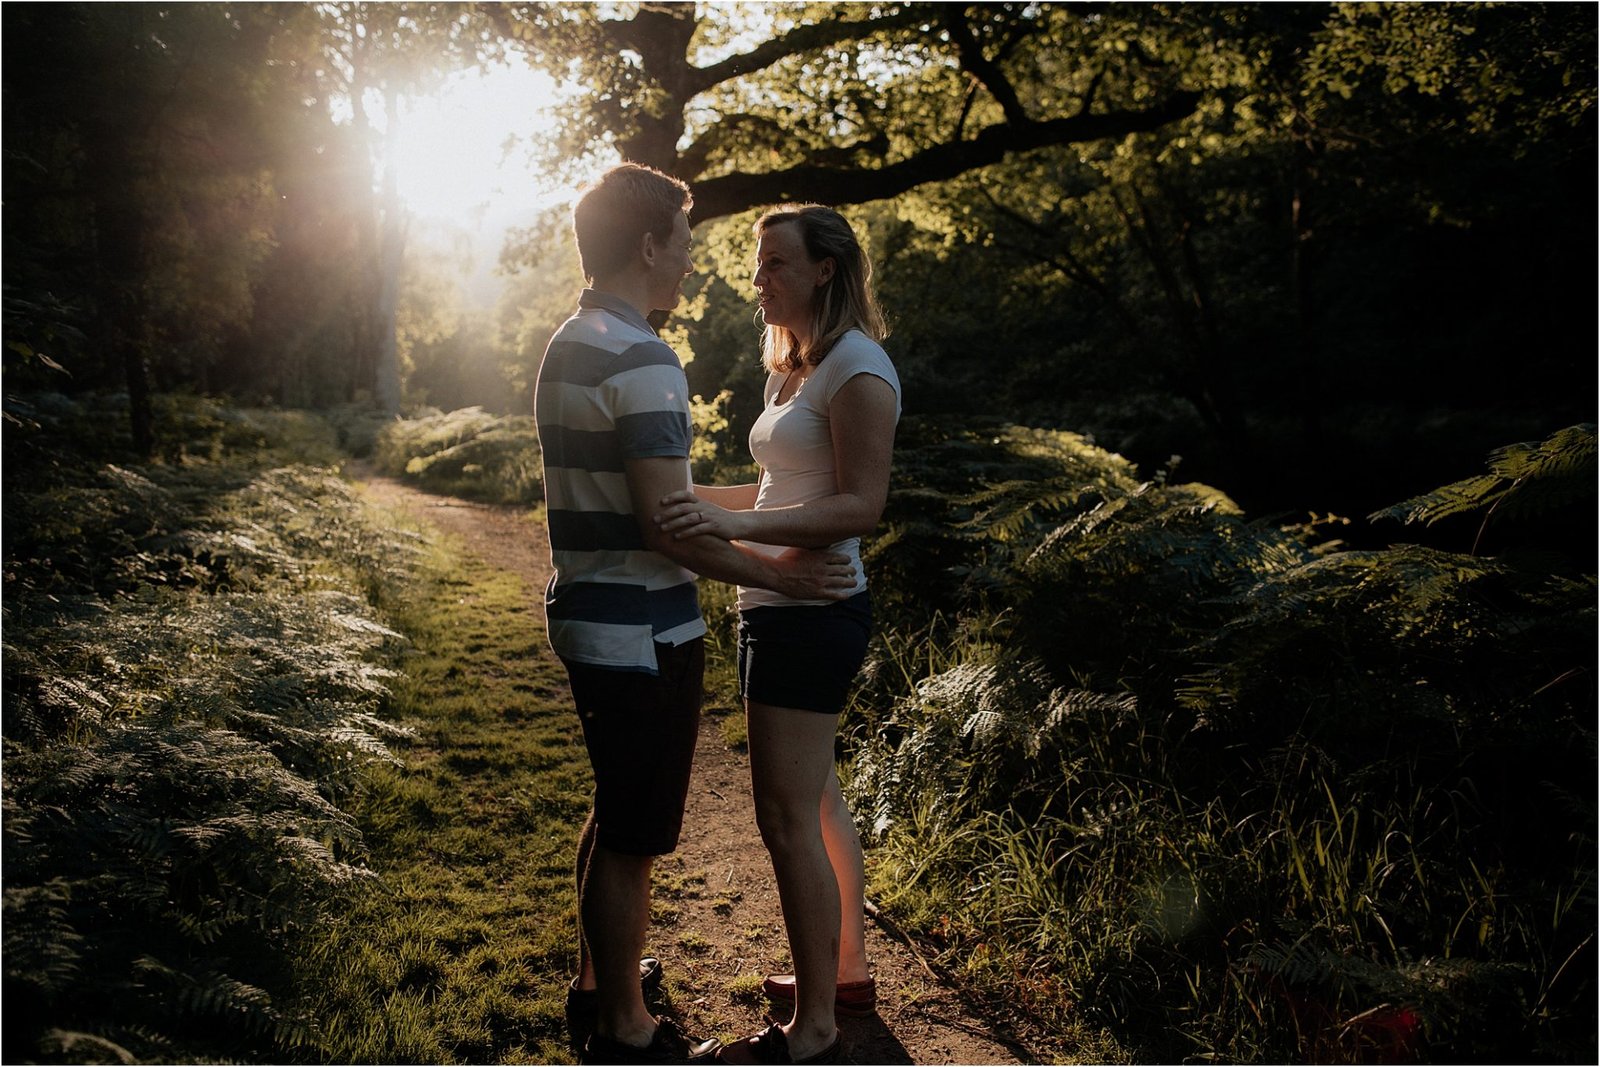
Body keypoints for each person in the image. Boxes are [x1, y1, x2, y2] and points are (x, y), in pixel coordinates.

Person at [535, 167, 860, 1066]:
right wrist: (788, 581)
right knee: (635, 834)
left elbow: (676, 506)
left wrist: (734, 521)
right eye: (683, 235)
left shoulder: (576, 338)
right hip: (639, 629)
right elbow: (670, 528)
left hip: (594, 611)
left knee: (616, 811)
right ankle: (629, 1033)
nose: (692, 254)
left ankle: (603, 987)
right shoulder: (640, 355)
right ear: (647, 246)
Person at [652, 205, 901, 1066]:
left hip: (814, 610)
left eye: (775, 264)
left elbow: (861, 506)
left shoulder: (860, 369)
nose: (759, 279)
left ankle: (817, 1030)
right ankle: (845, 974)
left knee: (785, 817)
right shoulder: (790, 370)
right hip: (776, 606)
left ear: (826, 269)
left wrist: (731, 535)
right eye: (757, 264)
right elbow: (772, 496)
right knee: (818, 798)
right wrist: (690, 500)